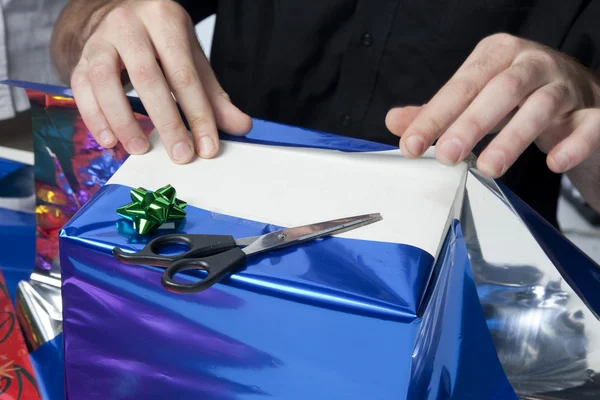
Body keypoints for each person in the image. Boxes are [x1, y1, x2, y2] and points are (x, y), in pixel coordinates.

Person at [50, 1, 600, 226]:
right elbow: (71, 36)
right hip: (214, 252)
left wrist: (586, 109)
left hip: (471, 306)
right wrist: (103, 23)